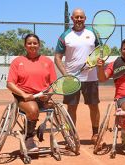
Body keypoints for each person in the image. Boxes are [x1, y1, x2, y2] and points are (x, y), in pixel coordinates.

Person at [54, 8, 100, 144]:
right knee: (71, 108)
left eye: (81, 17)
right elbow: (57, 57)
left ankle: (95, 134)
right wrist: (66, 74)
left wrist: (95, 61)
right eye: (76, 17)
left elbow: (100, 51)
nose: (79, 19)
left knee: (94, 106)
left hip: (91, 78)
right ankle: (72, 135)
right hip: (71, 79)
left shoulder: (93, 33)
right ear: (72, 19)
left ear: (85, 18)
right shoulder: (65, 35)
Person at [7, 34, 57, 152]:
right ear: (25, 46)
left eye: (35, 43)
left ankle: (45, 127)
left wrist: (49, 95)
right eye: (29, 43)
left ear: (39, 45)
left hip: (43, 96)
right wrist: (23, 95)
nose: (32, 45)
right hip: (24, 97)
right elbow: (10, 84)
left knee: (55, 106)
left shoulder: (47, 61)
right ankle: (29, 138)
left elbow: (54, 84)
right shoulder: (17, 61)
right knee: (33, 110)